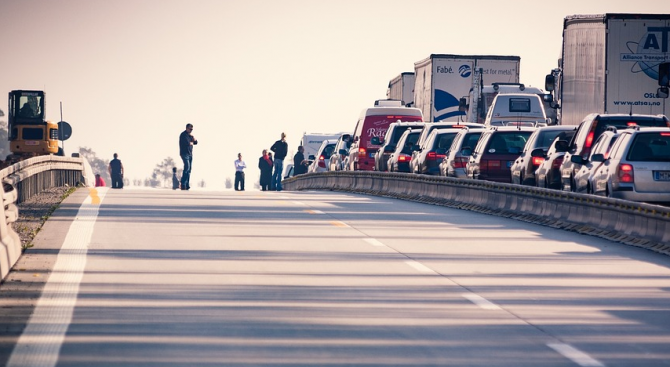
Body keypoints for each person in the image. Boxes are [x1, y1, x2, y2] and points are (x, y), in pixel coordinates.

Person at [179, 123, 198, 190]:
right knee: (187, 167)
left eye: (192, 129)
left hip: (190, 154)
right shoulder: (183, 135)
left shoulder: (190, 136)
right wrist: (192, 142)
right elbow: (187, 143)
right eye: (190, 129)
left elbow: (196, 142)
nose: (191, 130)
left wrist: (193, 138)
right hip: (184, 153)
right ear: (187, 128)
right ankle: (183, 183)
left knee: (189, 170)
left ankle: (187, 184)